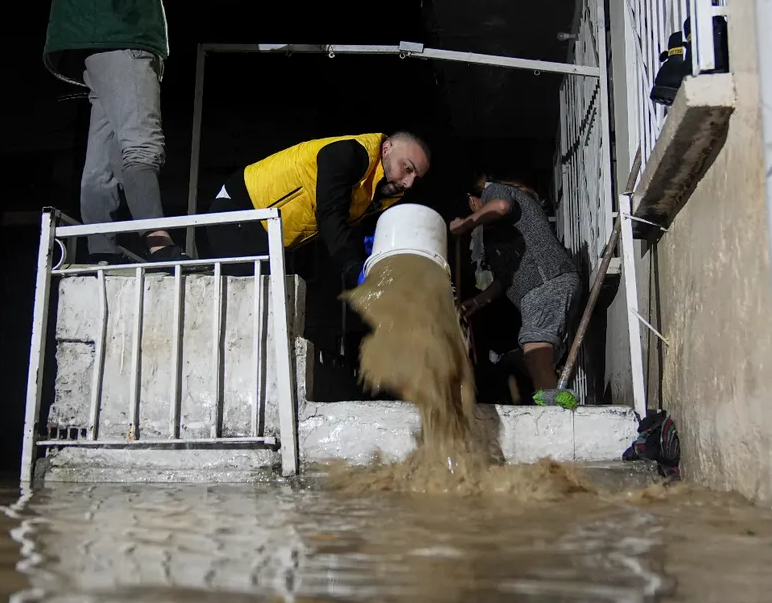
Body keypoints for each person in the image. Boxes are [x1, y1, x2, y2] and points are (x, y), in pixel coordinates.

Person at [44, 0, 211, 265]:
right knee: (142, 144)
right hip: (121, 42)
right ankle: (158, 245)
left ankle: (99, 249)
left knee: (103, 157)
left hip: (104, 47)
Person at [198, 132, 431, 286]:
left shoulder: (378, 189)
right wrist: (353, 268)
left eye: (416, 178)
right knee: (251, 301)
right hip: (239, 213)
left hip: (267, 235)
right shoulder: (347, 154)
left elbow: (348, 227)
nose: (408, 183)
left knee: (268, 303)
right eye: (407, 168)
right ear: (387, 148)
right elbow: (330, 215)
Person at [449, 173, 582, 405]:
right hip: (545, 287)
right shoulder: (500, 233)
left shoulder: (495, 191)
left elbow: (501, 206)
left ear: (473, 200)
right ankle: (555, 401)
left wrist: (466, 223)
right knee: (528, 360)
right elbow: (505, 279)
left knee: (534, 354)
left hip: (545, 282)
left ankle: (555, 416)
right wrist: (479, 301)